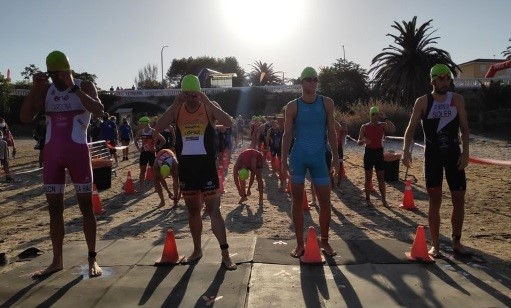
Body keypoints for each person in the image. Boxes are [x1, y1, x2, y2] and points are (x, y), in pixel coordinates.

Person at [19, 50, 103, 278]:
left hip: (78, 154)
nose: (55, 78)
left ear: (67, 70)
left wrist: (73, 87)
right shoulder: (47, 89)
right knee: (54, 210)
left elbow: (99, 110)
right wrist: (35, 87)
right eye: (51, 74)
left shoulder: (84, 85)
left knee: (86, 208)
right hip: (53, 155)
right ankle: (57, 260)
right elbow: (25, 117)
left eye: (58, 74)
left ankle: (92, 259)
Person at [153, 74, 237, 270]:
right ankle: (197, 249)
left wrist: (208, 101)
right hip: (187, 169)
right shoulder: (177, 109)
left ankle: (225, 254)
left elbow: (229, 122)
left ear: (200, 93)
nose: (191, 99)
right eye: (187, 95)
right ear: (182, 94)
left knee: (213, 210)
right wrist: (174, 105)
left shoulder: (208, 106)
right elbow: (158, 127)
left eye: (195, 95)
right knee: (193, 210)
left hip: (206, 168)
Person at [402, 64, 471, 258]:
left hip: (453, 155)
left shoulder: (457, 100)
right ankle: (436, 245)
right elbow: (410, 128)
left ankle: (456, 241)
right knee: (435, 199)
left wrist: (465, 153)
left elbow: (464, 128)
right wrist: (405, 152)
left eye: (447, 78)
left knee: (459, 198)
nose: (445, 82)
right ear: (432, 81)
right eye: (440, 78)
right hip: (432, 156)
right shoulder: (423, 102)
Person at [281, 67, 339, 258]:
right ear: (301, 83)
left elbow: (331, 132)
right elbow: (287, 135)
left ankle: (325, 242)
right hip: (298, 157)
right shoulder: (292, 106)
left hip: (319, 158)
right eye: (308, 79)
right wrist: (283, 160)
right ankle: (299, 244)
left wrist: (337, 158)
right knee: (297, 202)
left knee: (325, 202)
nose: (313, 82)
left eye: (315, 79)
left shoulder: (327, 103)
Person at [357, 106, 396, 206]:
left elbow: (393, 129)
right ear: (370, 115)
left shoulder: (383, 125)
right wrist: (364, 141)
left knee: (381, 178)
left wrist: (386, 118)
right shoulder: (364, 126)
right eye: (373, 114)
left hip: (379, 153)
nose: (374, 116)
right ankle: (367, 200)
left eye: (376, 114)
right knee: (368, 177)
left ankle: (384, 200)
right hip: (369, 153)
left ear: (378, 115)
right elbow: (358, 142)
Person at [134, 116, 157, 191]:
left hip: (151, 153)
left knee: (154, 171)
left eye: (140, 123)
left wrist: (156, 148)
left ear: (144, 123)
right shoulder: (141, 131)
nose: (139, 125)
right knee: (142, 171)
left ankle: (156, 187)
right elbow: (135, 140)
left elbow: (163, 140)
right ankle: (141, 187)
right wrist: (139, 148)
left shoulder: (153, 131)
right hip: (144, 153)